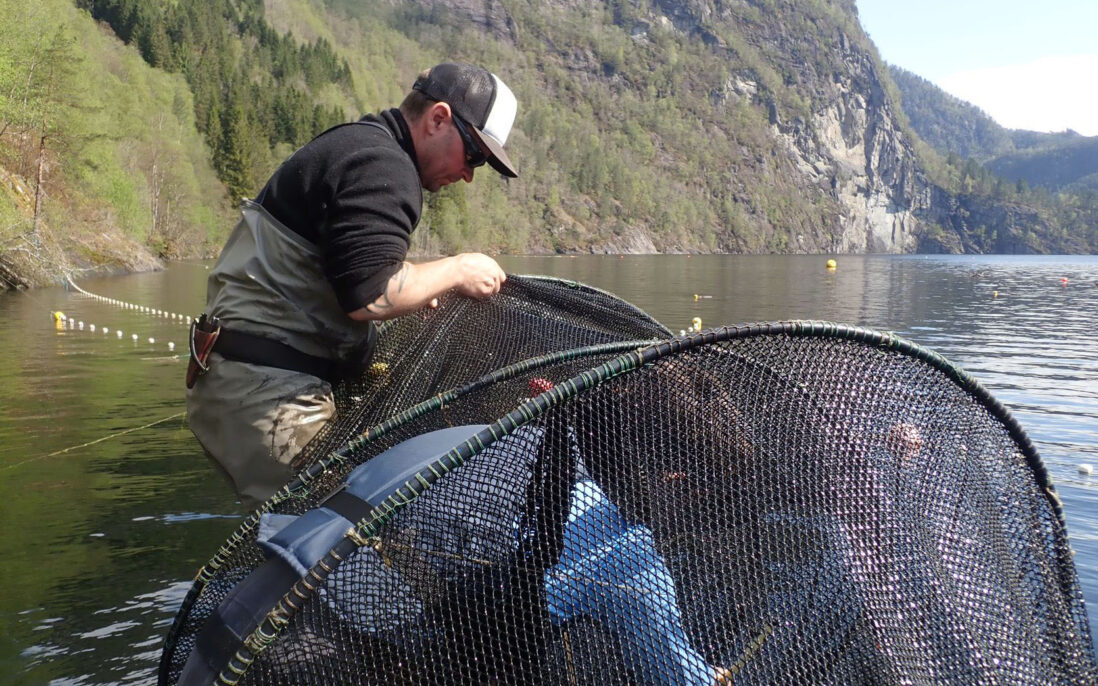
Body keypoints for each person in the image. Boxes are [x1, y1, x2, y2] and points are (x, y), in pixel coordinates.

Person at [185, 62, 520, 505]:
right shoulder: (383, 165)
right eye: (474, 155)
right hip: (268, 398)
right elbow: (371, 294)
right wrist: (457, 269)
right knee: (348, 531)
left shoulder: (360, 144)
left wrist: (419, 282)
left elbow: (349, 268)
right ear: (438, 119)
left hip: (235, 386)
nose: (469, 174)